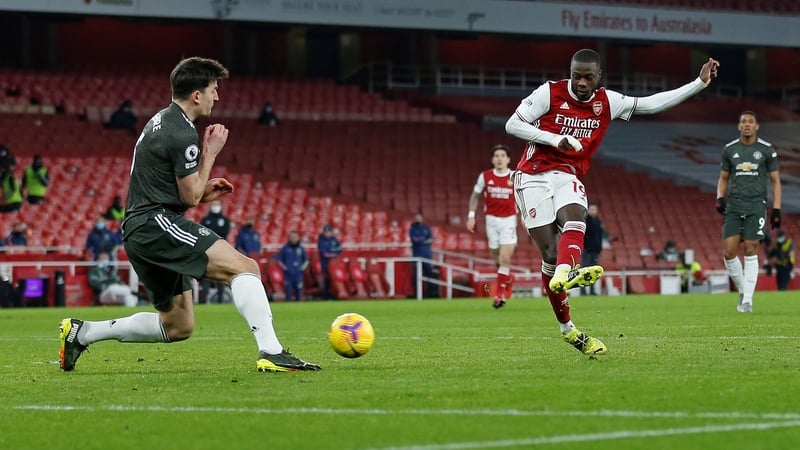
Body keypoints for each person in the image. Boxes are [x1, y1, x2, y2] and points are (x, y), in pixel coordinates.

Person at [59, 56, 319, 373]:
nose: (217, 96)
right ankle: (271, 351)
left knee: (178, 325)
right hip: (154, 225)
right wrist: (210, 152)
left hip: (142, 228)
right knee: (244, 267)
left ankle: (83, 333)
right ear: (197, 95)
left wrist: (201, 189)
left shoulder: (161, 121)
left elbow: (178, 192)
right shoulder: (182, 132)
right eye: (213, 89)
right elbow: (190, 196)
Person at [506, 48, 719, 355]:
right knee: (551, 254)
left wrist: (698, 84)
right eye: (576, 75)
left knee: (576, 216)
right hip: (533, 176)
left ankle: (566, 273)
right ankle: (568, 327)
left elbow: (651, 104)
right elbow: (512, 124)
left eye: (587, 77)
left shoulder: (607, 102)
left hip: (568, 174)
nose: (580, 82)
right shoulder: (549, 93)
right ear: (570, 71)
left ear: (598, 77)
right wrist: (554, 139)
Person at [716, 110, 781, 312]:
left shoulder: (767, 150)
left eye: (750, 122)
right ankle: (744, 290)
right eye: (743, 121)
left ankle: (748, 301)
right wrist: (719, 197)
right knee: (729, 252)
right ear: (739, 126)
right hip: (735, 205)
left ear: (757, 126)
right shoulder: (729, 150)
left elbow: (775, 181)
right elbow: (724, 177)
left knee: (752, 246)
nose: (746, 125)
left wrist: (777, 208)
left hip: (756, 205)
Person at [466, 144, 518, 308]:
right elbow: (475, 196)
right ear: (492, 159)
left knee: (504, 258)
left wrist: (525, 216)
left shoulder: (515, 176)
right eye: (497, 155)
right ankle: (508, 278)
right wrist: (471, 216)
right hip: (491, 221)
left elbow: (524, 197)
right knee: (497, 259)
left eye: (503, 155)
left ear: (508, 159)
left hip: (509, 220)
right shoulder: (485, 176)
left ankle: (499, 295)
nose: (500, 158)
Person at [199, 199, 232, 302]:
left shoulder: (225, 220)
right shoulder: (205, 219)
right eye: (214, 204)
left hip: (221, 251)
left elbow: (224, 232)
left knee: (221, 275)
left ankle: (221, 300)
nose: (215, 206)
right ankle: (203, 300)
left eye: (217, 204)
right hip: (207, 250)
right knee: (207, 275)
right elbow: (202, 232)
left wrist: (212, 231)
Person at [275, 230, 308, 302]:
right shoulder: (285, 248)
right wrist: (286, 268)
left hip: (298, 274)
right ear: (289, 238)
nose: (294, 239)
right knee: (288, 293)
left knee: (299, 293)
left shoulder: (301, 248)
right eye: (292, 237)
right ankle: (287, 308)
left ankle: (299, 309)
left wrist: (301, 268)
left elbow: (306, 260)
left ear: (298, 238)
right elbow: (279, 260)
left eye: (295, 237)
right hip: (288, 274)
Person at [409, 212, 436, 297]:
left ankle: (430, 294)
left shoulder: (426, 228)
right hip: (417, 254)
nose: (418, 219)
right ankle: (417, 294)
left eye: (419, 217)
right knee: (417, 274)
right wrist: (424, 240)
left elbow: (431, 239)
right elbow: (415, 240)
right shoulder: (412, 228)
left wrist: (422, 241)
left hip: (427, 254)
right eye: (416, 217)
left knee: (429, 273)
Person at [581, 202, 605, 295]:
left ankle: (592, 290)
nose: (593, 211)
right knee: (584, 271)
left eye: (594, 209)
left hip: (595, 250)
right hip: (587, 250)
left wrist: (599, 247)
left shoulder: (598, 221)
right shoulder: (585, 221)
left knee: (593, 271)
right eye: (591, 209)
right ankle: (583, 291)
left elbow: (600, 236)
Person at [317, 223, 342, 300]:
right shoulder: (321, 240)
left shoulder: (333, 239)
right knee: (326, 279)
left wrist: (332, 252)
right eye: (326, 232)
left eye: (329, 232)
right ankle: (325, 296)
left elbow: (339, 248)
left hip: (334, 264)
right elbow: (324, 253)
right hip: (325, 264)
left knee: (333, 280)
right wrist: (333, 253)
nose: (327, 233)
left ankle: (334, 294)